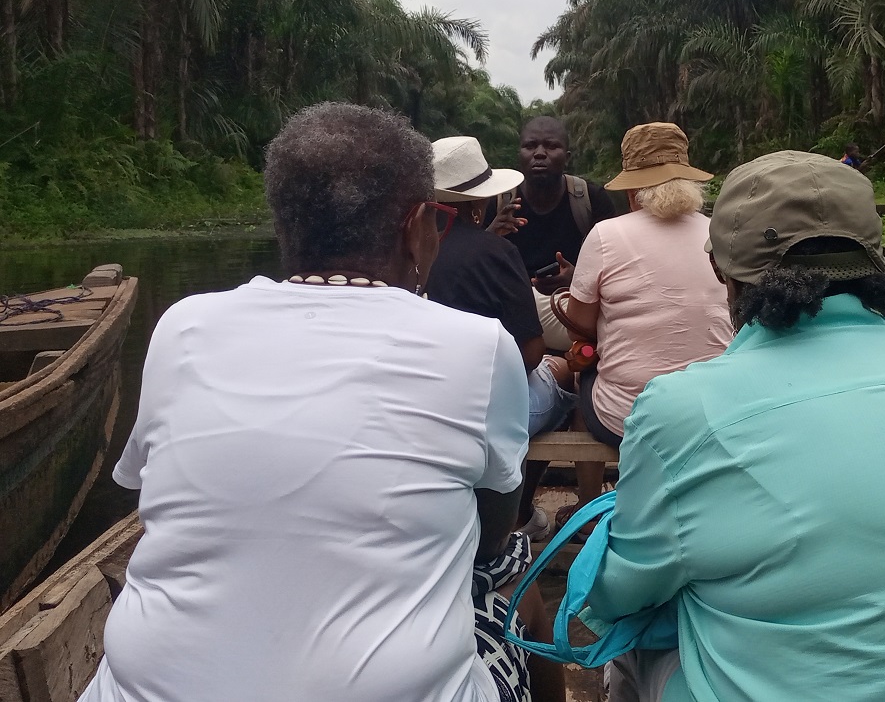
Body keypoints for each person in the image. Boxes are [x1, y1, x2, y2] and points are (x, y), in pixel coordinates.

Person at [79, 103, 562, 702]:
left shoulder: (183, 325)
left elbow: (148, 491)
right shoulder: (478, 346)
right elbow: (491, 538)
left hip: (137, 690)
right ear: (418, 226)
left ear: (284, 222)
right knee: (514, 581)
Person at [587, 150, 885, 702]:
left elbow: (621, 593)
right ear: (876, 260)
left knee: (633, 637)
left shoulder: (680, 405)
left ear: (721, 271)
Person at [560, 122, 733, 522]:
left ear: (632, 190)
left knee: (583, 374)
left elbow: (577, 327)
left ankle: (588, 509)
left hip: (627, 418)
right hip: (715, 413)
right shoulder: (720, 232)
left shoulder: (605, 235)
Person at [426, 135, 577, 541]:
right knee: (566, 374)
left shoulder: (405, 250)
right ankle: (522, 512)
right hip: (484, 409)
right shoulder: (496, 252)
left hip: (428, 399)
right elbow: (531, 353)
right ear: (479, 205)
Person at [487, 116, 616, 350]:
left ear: (567, 157)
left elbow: (616, 266)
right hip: (509, 313)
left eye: (551, 146)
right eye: (530, 146)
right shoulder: (496, 202)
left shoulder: (592, 199)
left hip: (573, 310)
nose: (539, 153)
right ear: (519, 154)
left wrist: (579, 278)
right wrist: (489, 236)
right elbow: (469, 263)